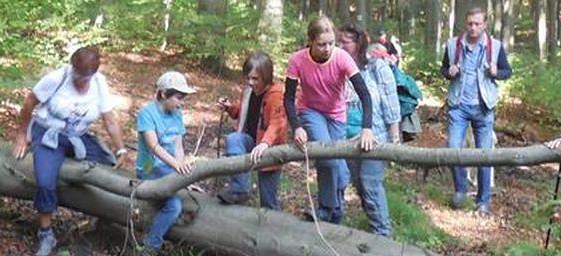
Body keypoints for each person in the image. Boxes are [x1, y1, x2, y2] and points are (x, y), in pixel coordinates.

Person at [10, 46, 128, 256]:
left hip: (77, 137)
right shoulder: (57, 78)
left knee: (110, 166)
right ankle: (46, 234)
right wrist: (22, 134)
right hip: (48, 132)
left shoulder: (99, 83)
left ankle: (106, 220)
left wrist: (120, 150)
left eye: (86, 76)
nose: (81, 80)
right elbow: (29, 103)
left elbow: (109, 119)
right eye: (78, 74)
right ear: (72, 67)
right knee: (46, 180)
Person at [283, 16, 378, 223]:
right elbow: (289, 99)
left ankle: (336, 211)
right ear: (310, 41)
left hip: (336, 116)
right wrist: (297, 127)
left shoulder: (342, 58)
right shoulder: (297, 60)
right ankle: (326, 208)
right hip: (310, 111)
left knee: (340, 168)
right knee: (327, 157)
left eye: (331, 43)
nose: (327, 48)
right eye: (321, 44)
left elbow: (365, 95)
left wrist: (367, 128)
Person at [441, 7, 513, 215]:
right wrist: (449, 72)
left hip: (484, 106)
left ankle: (483, 201)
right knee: (453, 149)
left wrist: (495, 72)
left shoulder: (495, 46)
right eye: (470, 23)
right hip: (459, 105)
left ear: (484, 25)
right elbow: (444, 69)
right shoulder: (453, 45)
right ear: (466, 24)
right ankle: (461, 189)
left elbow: (507, 71)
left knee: (485, 156)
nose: (473, 27)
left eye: (477, 24)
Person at [340, 25, 401, 237]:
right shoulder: (339, 67)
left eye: (345, 42)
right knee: (358, 184)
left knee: (370, 182)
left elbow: (391, 103)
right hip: (347, 138)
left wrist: (394, 139)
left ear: (358, 44)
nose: (339, 46)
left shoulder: (377, 67)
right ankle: (374, 224)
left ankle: (383, 234)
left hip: (375, 136)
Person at [133, 71, 198, 252]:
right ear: (163, 94)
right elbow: (153, 146)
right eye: (178, 97)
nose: (181, 102)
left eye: (183, 98)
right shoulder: (147, 114)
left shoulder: (177, 114)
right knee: (174, 207)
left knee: (191, 195)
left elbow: (178, 146)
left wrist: (183, 174)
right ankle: (150, 246)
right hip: (149, 168)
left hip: (169, 168)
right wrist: (176, 166)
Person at [216, 51, 289, 210]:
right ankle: (239, 189)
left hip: (269, 149)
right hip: (249, 141)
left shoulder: (276, 95)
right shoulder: (248, 91)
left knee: (268, 202)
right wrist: (230, 108)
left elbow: (277, 123)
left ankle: (271, 230)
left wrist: (265, 143)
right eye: (248, 77)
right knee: (234, 139)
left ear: (266, 76)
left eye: (255, 78)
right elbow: (242, 112)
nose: (250, 82)